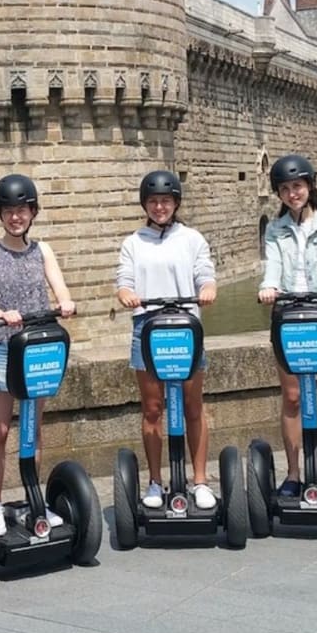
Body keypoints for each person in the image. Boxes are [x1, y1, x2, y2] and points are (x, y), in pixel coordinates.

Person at [0, 174, 75, 534]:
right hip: (2, 347)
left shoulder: (42, 250)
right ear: (0, 214)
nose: (16, 217)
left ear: (33, 212)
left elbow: (59, 284)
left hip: (37, 347)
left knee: (32, 430)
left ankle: (36, 499)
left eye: (22, 210)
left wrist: (65, 302)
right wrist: (0, 312)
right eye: (9, 211)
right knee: (0, 430)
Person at [116, 170, 218, 510]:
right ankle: (156, 481)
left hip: (186, 326)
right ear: (145, 204)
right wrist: (128, 294)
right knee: (152, 408)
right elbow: (125, 281)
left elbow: (205, 273)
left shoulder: (192, 239)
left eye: (166, 201)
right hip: (147, 326)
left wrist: (207, 289)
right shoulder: (133, 242)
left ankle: (200, 480)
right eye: (154, 201)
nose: (160, 207)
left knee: (192, 406)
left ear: (176, 203)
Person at [257, 154, 317, 500]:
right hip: (288, 319)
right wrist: (268, 288)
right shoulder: (275, 229)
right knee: (293, 397)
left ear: (309, 186)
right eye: (284, 189)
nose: (292, 193)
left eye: (297, 186)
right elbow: (272, 267)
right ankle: (295, 472)